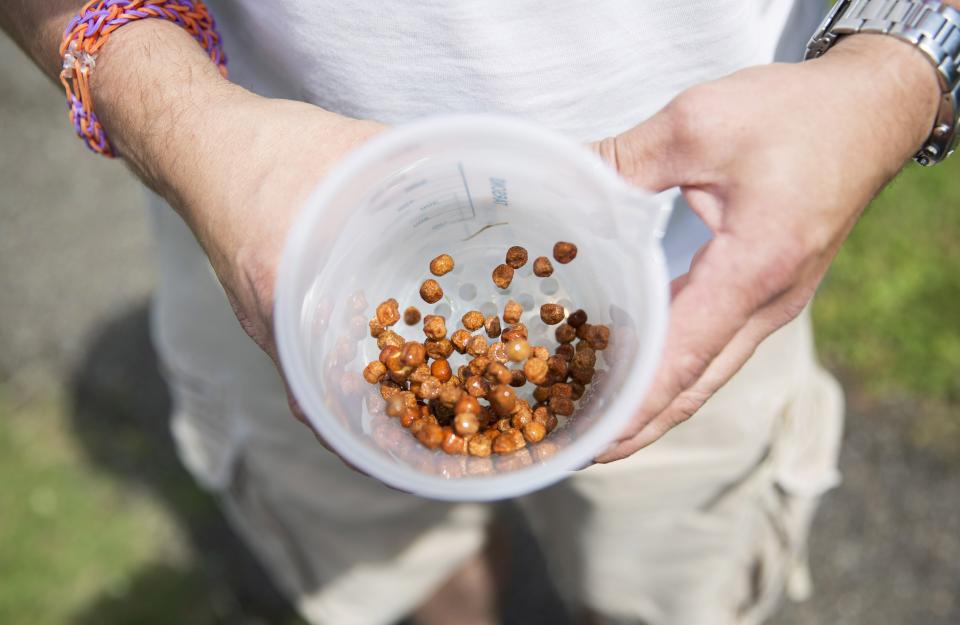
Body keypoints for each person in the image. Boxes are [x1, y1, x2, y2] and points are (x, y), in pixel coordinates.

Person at [2, 1, 954, 623]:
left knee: (675, 586)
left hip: (704, 263)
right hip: (269, 228)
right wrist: (174, 116)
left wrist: (899, 65)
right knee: (385, 568)